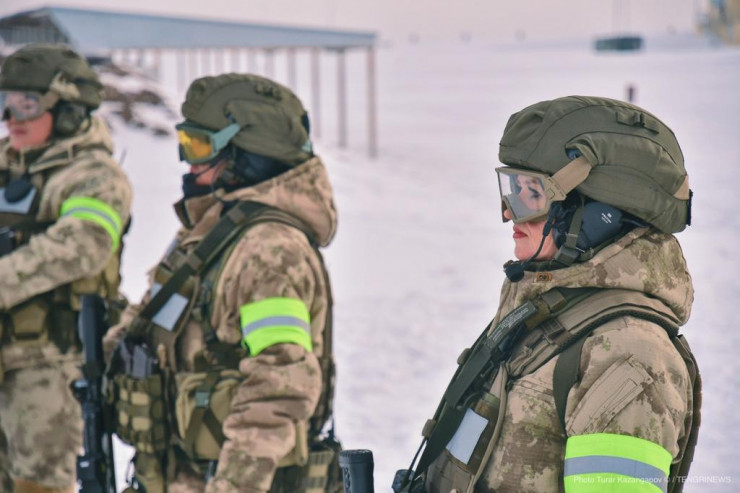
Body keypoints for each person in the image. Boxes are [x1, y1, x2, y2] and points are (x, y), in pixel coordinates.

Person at [396, 95, 700, 493]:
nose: (509, 213)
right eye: (511, 190)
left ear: (597, 216)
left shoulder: (628, 352)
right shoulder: (546, 312)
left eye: (531, 195)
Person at [105, 73, 340, 492]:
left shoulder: (269, 252)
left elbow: (279, 386)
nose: (188, 163)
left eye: (199, 147)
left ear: (247, 156)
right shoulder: (211, 234)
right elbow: (149, 321)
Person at [0, 44, 132, 493]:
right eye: (6, 102)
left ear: (69, 111)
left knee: (37, 486)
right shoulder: (7, 165)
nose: (10, 117)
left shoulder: (95, 177)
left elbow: (81, 246)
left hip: (49, 367)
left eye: (27, 103)